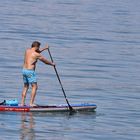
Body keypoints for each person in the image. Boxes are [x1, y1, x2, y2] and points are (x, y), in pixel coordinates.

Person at [21, 41, 55, 106]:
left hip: (24, 70)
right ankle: (31, 103)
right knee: (35, 87)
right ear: (37, 47)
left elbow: (36, 52)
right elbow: (45, 61)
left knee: (26, 86)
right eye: (39, 47)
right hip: (30, 71)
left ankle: (22, 103)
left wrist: (44, 48)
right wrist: (52, 64)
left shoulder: (27, 51)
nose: (39, 48)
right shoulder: (36, 54)